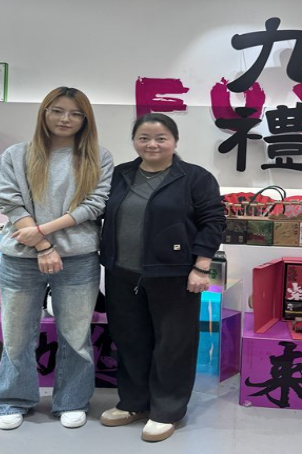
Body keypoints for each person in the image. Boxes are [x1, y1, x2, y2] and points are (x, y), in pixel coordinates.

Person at [0, 86, 113, 430]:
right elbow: (9, 200)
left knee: (75, 334)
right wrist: (43, 246)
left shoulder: (97, 157)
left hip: (78, 259)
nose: (65, 119)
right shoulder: (16, 155)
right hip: (21, 259)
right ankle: (12, 399)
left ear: (85, 119)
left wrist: (42, 232)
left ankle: (72, 400)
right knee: (17, 334)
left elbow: (95, 205)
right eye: (57, 110)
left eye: (75, 113)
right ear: (44, 112)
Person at [99, 113, 225, 442]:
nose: (152, 144)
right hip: (122, 274)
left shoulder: (195, 178)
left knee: (173, 344)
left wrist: (201, 267)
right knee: (130, 340)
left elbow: (213, 222)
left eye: (161, 138)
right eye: (144, 138)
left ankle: (166, 410)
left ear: (175, 141)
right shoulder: (120, 175)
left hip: (175, 275)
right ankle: (134, 403)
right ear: (134, 141)